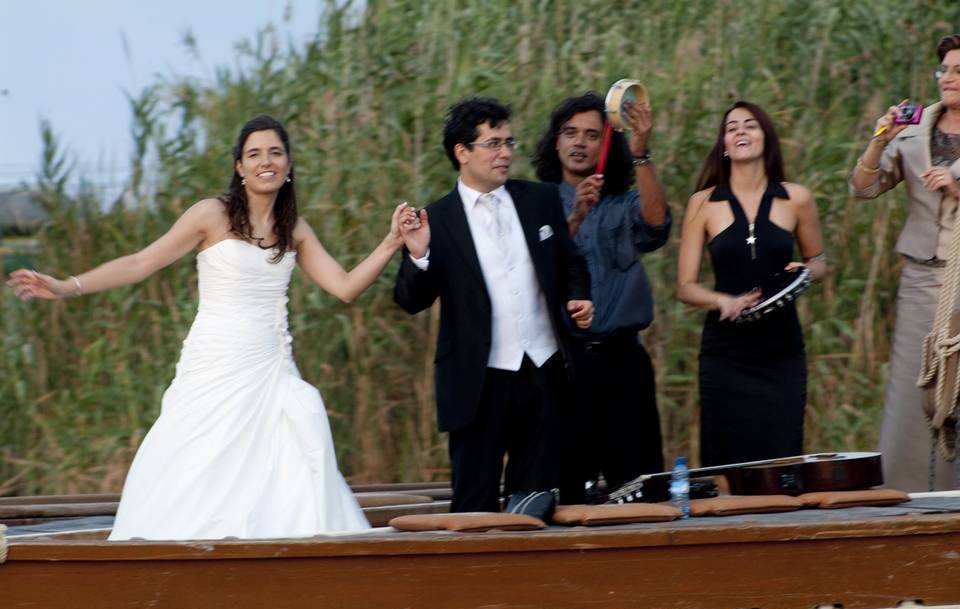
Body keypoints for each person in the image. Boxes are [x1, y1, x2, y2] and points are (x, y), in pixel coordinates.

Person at [7, 115, 417, 540]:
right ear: (239, 167)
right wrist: (65, 286)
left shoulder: (294, 229)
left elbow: (345, 286)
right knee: (196, 458)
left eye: (275, 153)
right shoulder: (211, 215)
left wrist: (391, 242)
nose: (266, 162)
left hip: (269, 368)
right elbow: (140, 263)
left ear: (289, 164)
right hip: (215, 360)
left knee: (290, 457)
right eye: (254, 154)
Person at [394, 97, 593, 513]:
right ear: (462, 153)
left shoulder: (538, 200)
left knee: (538, 503)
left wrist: (578, 296)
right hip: (477, 382)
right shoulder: (437, 218)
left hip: (544, 370)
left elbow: (571, 262)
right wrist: (419, 256)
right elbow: (410, 300)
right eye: (493, 143)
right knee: (473, 507)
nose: (505, 153)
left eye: (509, 142)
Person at [531, 92, 670, 503]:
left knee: (641, 486)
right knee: (568, 491)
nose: (579, 143)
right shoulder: (534, 205)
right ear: (555, 142)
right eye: (569, 133)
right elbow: (536, 272)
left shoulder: (625, 202)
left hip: (623, 360)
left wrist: (641, 154)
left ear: (606, 145)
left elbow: (656, 228)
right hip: (563, 364)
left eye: (592, 135)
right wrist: (572, 220)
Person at [678, 101, 826, 467]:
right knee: (726, 464)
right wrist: (722, 301)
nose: (741, 131)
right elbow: (686, 287)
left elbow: (818, 261)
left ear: (766, 139)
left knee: (782, 462)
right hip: (725, 352)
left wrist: (806, 273)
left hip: (782, 351)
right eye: (732, 128)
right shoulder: (702, 203)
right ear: (724, 146)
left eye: (751, 125)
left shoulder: (797, 198)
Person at [849, 35, 960, 491]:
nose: (948, 78)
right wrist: (880, 139)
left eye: (958, 71)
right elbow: (863, 188)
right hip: (920, 278)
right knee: (914, 391)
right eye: (944, 70)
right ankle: (909, 497)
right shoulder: (914, 133)